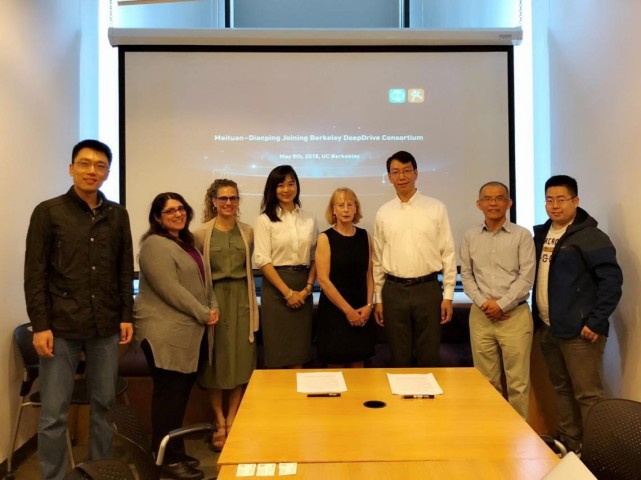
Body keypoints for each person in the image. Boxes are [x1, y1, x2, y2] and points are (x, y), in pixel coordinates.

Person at [24, 139, 134, 480]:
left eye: (100, 166)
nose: (92, 171)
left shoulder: (117, 215)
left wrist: (126, 315)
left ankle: (98, 473)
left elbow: (123, 268)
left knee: (104, 407)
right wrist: (40, 324)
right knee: (54, 414)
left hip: (105, 326)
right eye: (84, 163)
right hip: (60, 327)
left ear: (107, 173)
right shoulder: (49, 212)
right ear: (71, 168)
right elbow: (35, 273)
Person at [533, 175, 622, 453]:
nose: (555, 205)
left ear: (576, 201)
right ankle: (569, 444)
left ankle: (596, 453)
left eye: (561, 199)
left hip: (581, 331)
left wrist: (596, 321)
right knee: (561, 388)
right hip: (548, 327)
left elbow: (612, 282)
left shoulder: (591, 236)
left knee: (588, 394)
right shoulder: (542, 234)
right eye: (549, 200)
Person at [134, 193, 219, 480]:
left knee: (178, 398)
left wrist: (213, 307)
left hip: (186, 333)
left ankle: (172, 452)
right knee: (168, 398)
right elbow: (171, 289)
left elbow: (205, 283)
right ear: (157, 218)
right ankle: (167, 460)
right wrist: (204, 312)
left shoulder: (186, 243)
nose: (177, 214)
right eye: (169, 211)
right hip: (164, 334)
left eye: (181, 208)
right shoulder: (154, 245)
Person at [372, 150, 456, 367]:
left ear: (416, 173)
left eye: (407, 171)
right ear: (389, 177)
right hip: (393, 291)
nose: (402, 176)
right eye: (396, 172)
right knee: (399, 358)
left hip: (427, 290)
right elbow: (378, 260)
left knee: (429, 357)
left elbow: (448, 253)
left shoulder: (436, 208)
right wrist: (379, 299)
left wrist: (448, 296)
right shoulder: (383, 213)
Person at [459, 181, 535, 419]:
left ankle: (519, 435)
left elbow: (527, 277)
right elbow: (466, 275)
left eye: (500, 198)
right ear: (479, 204)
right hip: (481, 317)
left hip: (515, 317)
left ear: (509, 203)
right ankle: (491, 432)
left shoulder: (522, 236)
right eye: (488, 198)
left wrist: (501, 305)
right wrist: (485, 304)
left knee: (518, 383)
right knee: (486, 382)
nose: (493, 203)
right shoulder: (470, 236)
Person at [194, 179, 259, 452]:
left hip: (242, 302)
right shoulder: (201, 234)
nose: (229, 203)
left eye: (233, 198)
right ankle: (218, 421)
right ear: (214, 201)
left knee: (241, 361)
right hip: (214, 302)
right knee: (216, 363)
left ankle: (233, 419)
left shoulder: (248, 232)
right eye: (223, 198)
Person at [253, 165, 318, 368]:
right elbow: (263, 260)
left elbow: (315, 257)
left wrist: (308, 289)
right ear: (272, 189)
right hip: (276, 289)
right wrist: (288, 293)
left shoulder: (309, 219)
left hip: (303, 288)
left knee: (299, 353)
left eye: (291, 184)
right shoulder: (264, 220)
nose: (286, 189)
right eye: (280, 185)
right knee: (278, 353)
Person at [316, 188, 375, 368]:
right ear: (333, 210)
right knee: (335, 369)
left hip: (361, 310)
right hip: (335, 311)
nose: (346, 209)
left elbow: (370, 274)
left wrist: (369, 306)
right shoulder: (325, 238)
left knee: (359, 366)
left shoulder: (365, 236)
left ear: (356, 208)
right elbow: (323, 280)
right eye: (341, 205)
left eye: (350, 204)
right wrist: (348, 311)